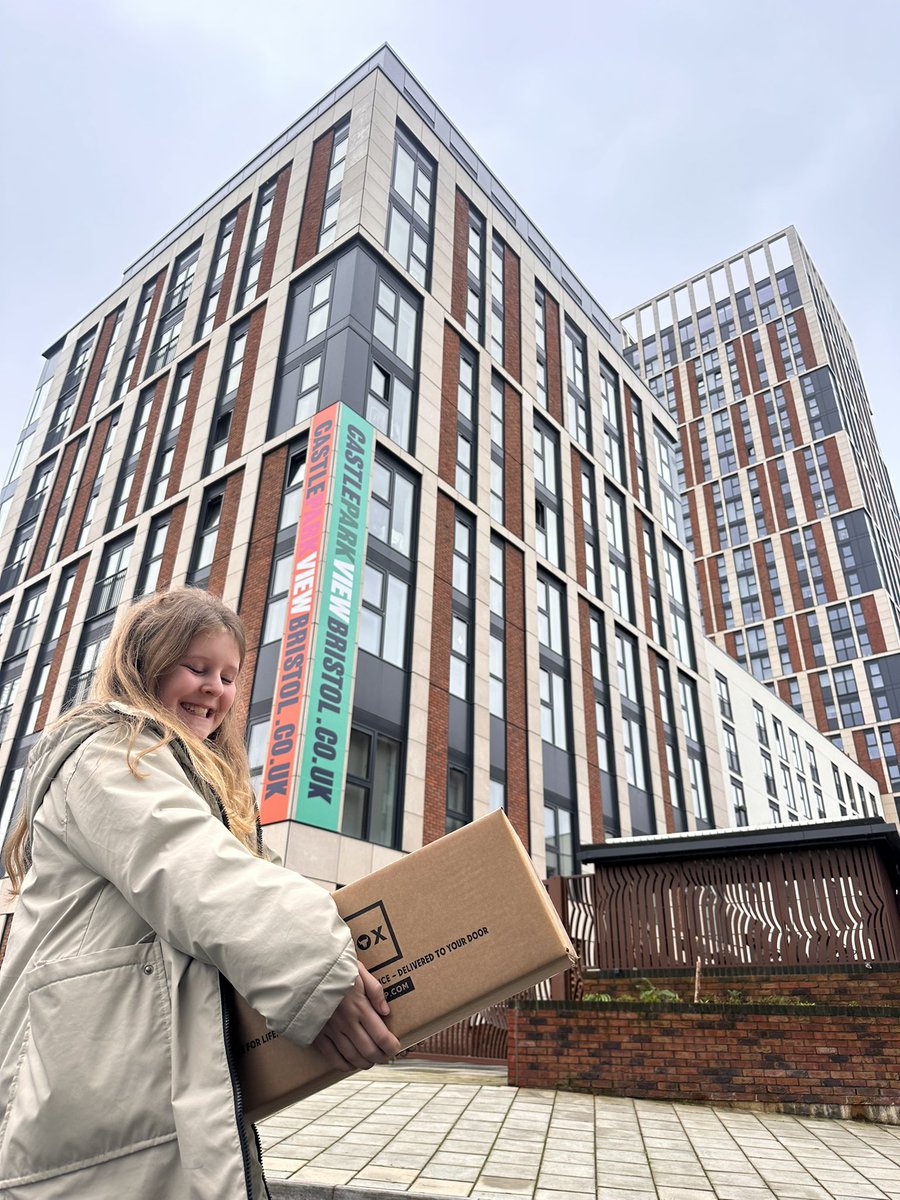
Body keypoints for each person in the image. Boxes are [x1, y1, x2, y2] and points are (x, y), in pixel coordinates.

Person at [0, 587, 400, 1199]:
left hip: (136, 1068)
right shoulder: (110, 754)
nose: (216, 687)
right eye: (196, 667)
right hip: (88, 1077)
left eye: (230, 675)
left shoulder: (202, 785)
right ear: (143, 664)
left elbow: (257, 877)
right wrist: (319, 965)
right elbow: (190, 866)